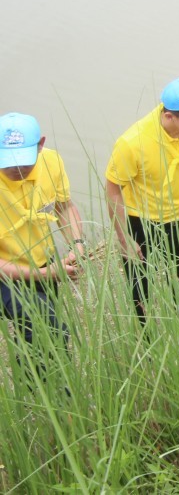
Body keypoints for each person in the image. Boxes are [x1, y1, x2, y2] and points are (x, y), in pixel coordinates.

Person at [106, 77, 179, 324]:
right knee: (140, 288)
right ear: (169, 116)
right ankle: (146, 339)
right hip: (142, 222)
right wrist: (124, 237)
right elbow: (114, 189)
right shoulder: (132, 142)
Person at [0, 113, 85, 377]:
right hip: (5, 273)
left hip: (43, 263)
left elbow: (64, 207)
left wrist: (78, 245)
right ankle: (61, 393)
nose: (16, 170)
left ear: (41, 144)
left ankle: (39, 389)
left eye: (24, 161)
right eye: (8, 162)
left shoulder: (51, 162)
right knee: (52, 329)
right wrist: (45, 274)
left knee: (40, 333)